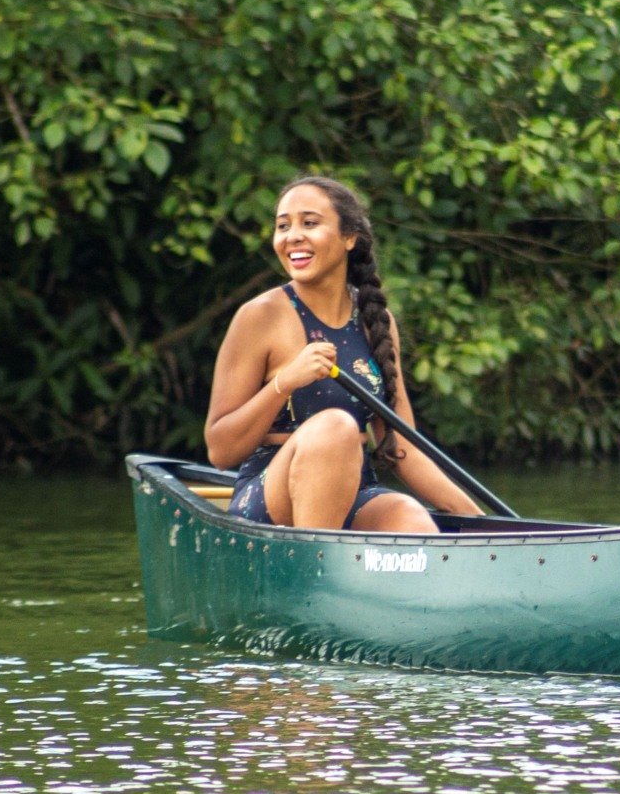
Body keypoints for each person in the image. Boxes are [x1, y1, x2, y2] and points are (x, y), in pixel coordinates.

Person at [205, 174, 481, 532]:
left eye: (310, 223)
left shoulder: (375, 322)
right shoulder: (260, 316)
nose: (293, 237)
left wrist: (483, 523)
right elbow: (221, 452)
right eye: (283, 226)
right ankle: (317, 572)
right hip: (270, 492)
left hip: (355, 490)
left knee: (411, 519)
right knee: (335, 428)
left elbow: (402, 447)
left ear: (349, 237)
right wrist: (285, 382)